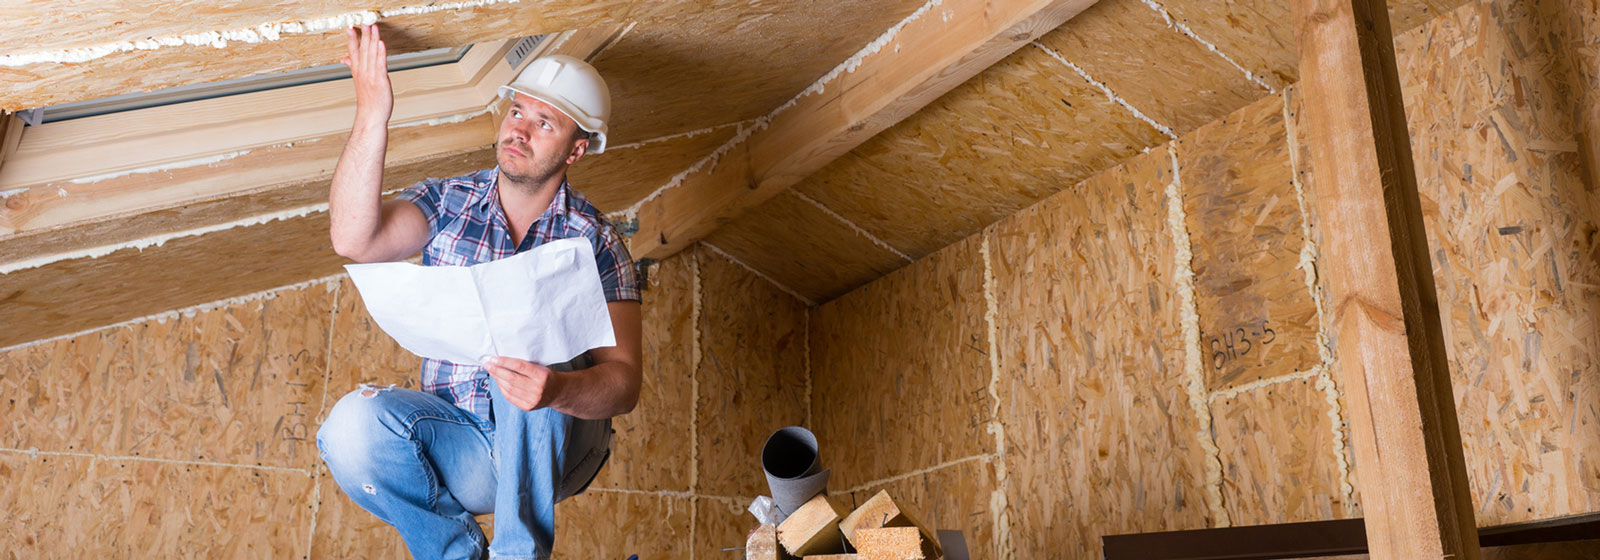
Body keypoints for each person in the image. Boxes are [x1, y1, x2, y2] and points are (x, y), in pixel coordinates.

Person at [316, 24, 643, 560]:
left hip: (557, 443)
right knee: (352, 427)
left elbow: (624, 385)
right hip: (461, 440)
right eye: (517, 112)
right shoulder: (450, 201)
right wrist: (372, 111)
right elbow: (354, 238)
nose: (520, 130)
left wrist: (556, 390)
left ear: (576, 150)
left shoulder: (595, 242)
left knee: (532, 329)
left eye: (545, 123)